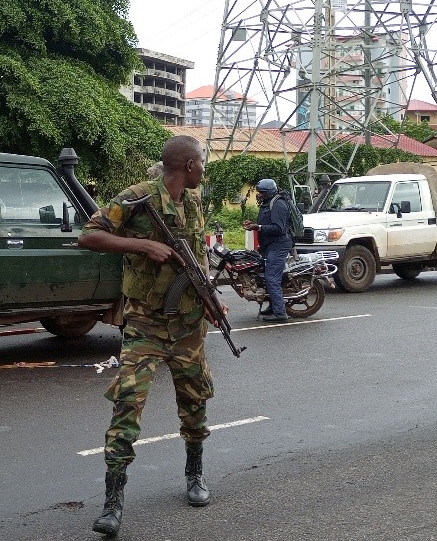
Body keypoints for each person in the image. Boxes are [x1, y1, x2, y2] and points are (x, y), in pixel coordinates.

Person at [78, 135, 216, 535]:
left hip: (189, 325)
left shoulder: (192, 202)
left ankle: (195, 474)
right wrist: (140, 245)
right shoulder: (136, 198)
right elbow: (88, 236)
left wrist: (211, 298)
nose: (203, 170)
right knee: (126, 408)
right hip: (145, 327)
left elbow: (197, 257)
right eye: (201, 163)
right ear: (188, 165)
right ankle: (112, 502)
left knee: (195, 404)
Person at [243, 178, 292, 322]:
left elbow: (278, 228)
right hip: (269, 245)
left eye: (262, 192)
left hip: (278, 245)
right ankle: (273, 306)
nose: (259, 195)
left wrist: (258, 227)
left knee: (271, 278)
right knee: (265, 277)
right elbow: (267, 223)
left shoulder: (278, 204)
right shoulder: (268, 203)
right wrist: (254, 224)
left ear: (269, 192)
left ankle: (280, 313)